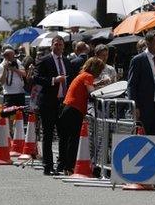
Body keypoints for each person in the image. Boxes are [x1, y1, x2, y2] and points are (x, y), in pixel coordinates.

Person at [32, 36, 72, 175]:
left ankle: (62, 163)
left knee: (63, 134)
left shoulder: (67, 61)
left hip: (63, 102)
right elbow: (36, 78)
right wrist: (54, 80)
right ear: (52, 46)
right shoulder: (45, 60)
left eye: (61, 45)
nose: (59, 47)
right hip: (48, 103)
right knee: (48, 134)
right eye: (56, 44)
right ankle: (48, 165)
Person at [59, 57, 104, 175]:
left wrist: (99, 84)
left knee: (66, 138)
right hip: (75, 109)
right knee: (74, 139)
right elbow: (92, 92)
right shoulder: (88, 76)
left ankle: (63, 165)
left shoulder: (82, 75)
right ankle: (70, 167)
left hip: (67, 107)